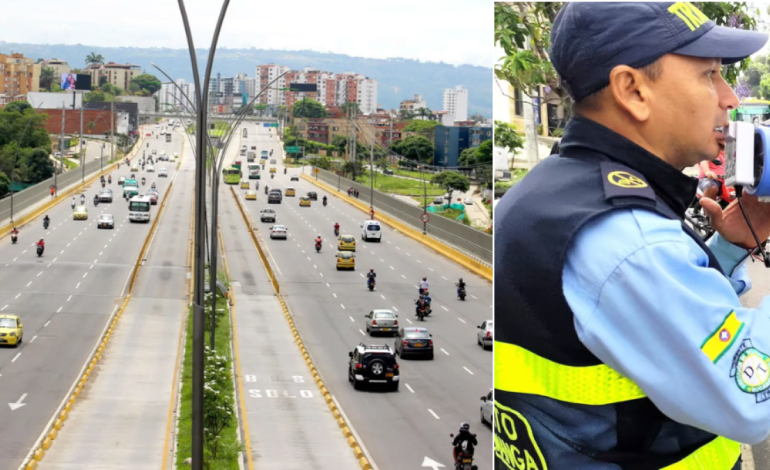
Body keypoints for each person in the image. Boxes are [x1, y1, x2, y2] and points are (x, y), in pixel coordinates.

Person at [494, 3, 770, 468]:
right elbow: (750, 398)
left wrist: (730, 247)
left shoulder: (551, 190)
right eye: (709, 75)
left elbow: (645, 317)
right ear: (632, 90)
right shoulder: (627, 241)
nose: (730, 98)